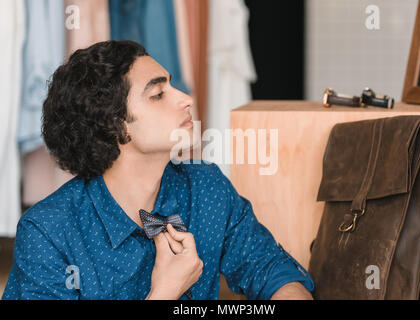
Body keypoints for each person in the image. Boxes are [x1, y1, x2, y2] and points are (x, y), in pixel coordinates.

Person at [2, 40, 314, 300]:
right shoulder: (47, 232)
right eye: (158, 94)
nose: (186, 99)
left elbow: (270, 269)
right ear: (113, 124)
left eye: (172, 85)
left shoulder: (205, 187)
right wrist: (167, 289)